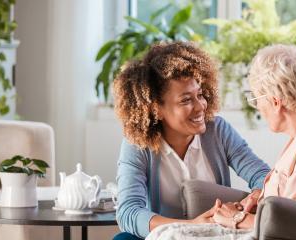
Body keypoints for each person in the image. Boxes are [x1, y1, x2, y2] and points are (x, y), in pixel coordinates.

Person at [146, 44, 296, 239]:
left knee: (170, 237)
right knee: (168, 234)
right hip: (286, 229)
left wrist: (235, 219)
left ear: (275, 101)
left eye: (256, 97)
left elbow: (292, 229)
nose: (257, 106)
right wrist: (258, 199)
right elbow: (292, 206)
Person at [112, 41, 271, 239]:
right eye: (186, 100)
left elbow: (263, 176)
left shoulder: (218, 130)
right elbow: (129, 212)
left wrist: (255, 196)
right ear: (156, 109)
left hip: (216, 234)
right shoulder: (137, 144)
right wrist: (191, 226)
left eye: (200, 95)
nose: (200, 106)